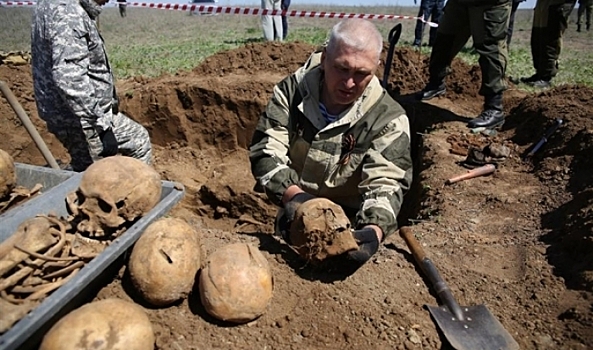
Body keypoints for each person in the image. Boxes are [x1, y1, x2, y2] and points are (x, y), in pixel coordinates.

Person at [249, 19, 413, 267]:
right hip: (294, 211)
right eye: (341, 69)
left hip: (350, 228)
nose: (349, 84)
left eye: (361, 74)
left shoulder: (388, 119)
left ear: (376, 68)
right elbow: (266, 152)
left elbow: (386, 184)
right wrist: (299, 201)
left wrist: (372, 231)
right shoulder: (292, 92)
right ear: (325, 58)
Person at [31, 0, 152, 172]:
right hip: (81, 118)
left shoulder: (53, 4)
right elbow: (70, 78)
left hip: (66, 112)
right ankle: (135, 195)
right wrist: (102, 126)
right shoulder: (68, 14)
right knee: (138, 142)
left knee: (84, 165)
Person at [418, 0, 511, 130]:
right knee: (444, 39)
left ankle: (494, 108)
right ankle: (436, 84)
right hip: (459, 2)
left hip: (490, 4)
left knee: (490, 48)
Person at [513, 0, 577, 88]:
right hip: (544, 3)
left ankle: (546, 76)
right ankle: (540, 73)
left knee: (550, 37)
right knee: (538, 35)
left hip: (557, 4)